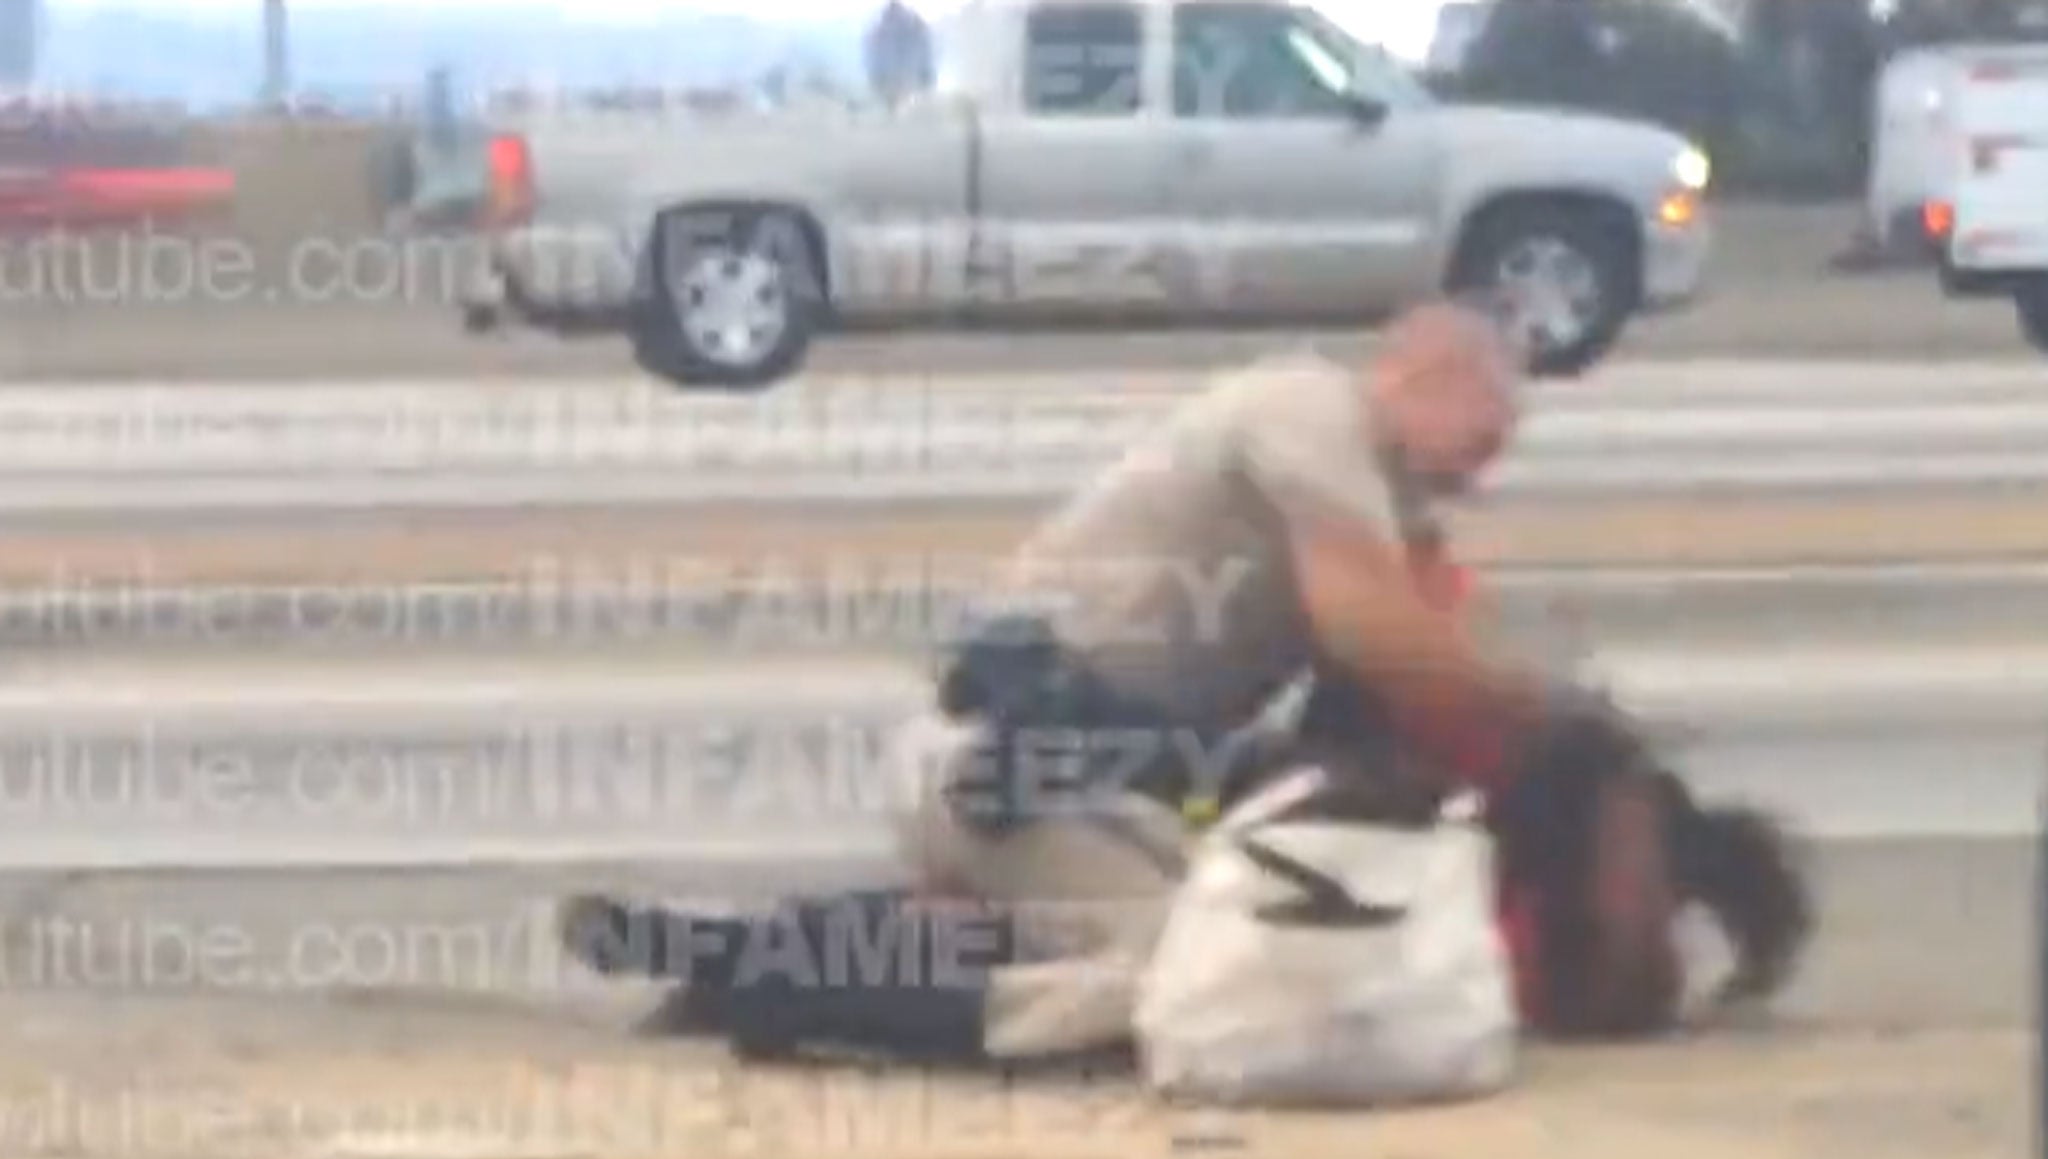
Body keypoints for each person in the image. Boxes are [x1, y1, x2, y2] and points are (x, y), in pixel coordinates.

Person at [557, 302, 1809, 1072]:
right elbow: (1378, 639)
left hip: (1053, 768)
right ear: (1421, 373)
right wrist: (1558, 718)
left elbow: (1384, 703)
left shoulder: (1364, 496)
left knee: (1075, 933)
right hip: (1011, 755)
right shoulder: (1306, 413)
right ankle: (784, 988)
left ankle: (734, 949)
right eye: (1480, 439)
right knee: (1203, 984)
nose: (1480, 476)